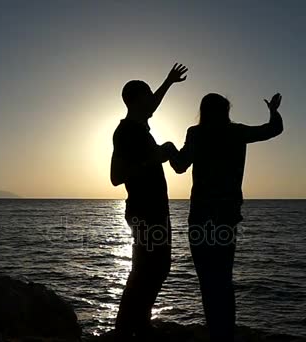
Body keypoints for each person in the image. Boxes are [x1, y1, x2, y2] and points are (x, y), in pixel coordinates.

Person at [170, 92, 284, 341]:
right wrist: (273, 110)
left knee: (207, 280)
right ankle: (225, 334)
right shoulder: (237, 132)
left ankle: (215, 333)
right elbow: (274, 129)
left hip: (200, 215)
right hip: (226, 216)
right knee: (223, 277)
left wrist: (169, 150)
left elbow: (179, 166)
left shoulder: (196, 133)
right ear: (226, 111)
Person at [110, 63, 188, 340]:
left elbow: (153, 105)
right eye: (147, 97)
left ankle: (139, 323)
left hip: (155, 209)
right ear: (135, 101)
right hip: (144, 211)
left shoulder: (140, 129)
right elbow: (116, 177)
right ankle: (125, 329)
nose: (152, 103)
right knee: (147, 269)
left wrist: (168, 81)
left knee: (155, 267)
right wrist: (154, 158)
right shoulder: (126, 132)